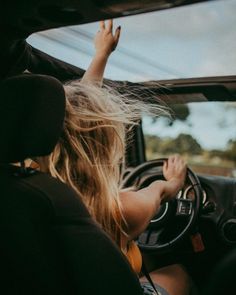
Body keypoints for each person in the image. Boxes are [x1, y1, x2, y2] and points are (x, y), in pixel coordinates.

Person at [37, 20, 194, 295]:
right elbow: (158, 191)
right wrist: (174, 182)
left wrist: (101, 55)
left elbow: (75, 120)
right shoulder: (122, 210)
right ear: (107, 149)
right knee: (179, 273)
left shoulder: (29, 191)